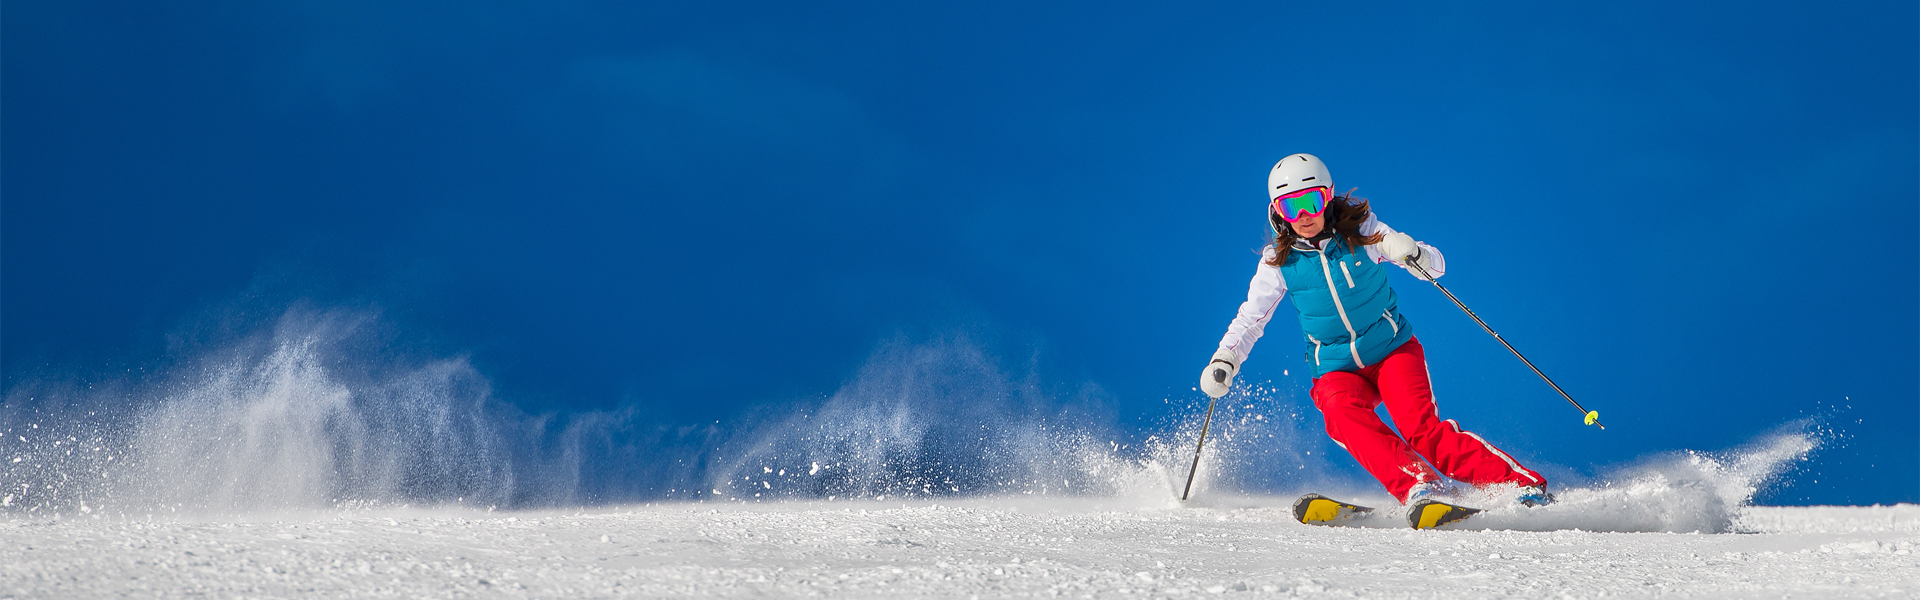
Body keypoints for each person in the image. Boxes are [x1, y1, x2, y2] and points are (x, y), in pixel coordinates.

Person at [1199, 153, 1551, 507]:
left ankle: (1520, 486)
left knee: (1421, 430)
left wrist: (1415, 253)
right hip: (1335, 368)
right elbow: (1250, 319)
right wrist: (1226, 357)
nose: (1303, 216)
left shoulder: (1363, 232)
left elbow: (1437, 266)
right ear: (1277, 212)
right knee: (1341, 413)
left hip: (1391, 352)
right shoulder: (1278, 263)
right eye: (1291, 208)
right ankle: (1421, 485)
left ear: (1328, 198)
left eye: (1311, 201)